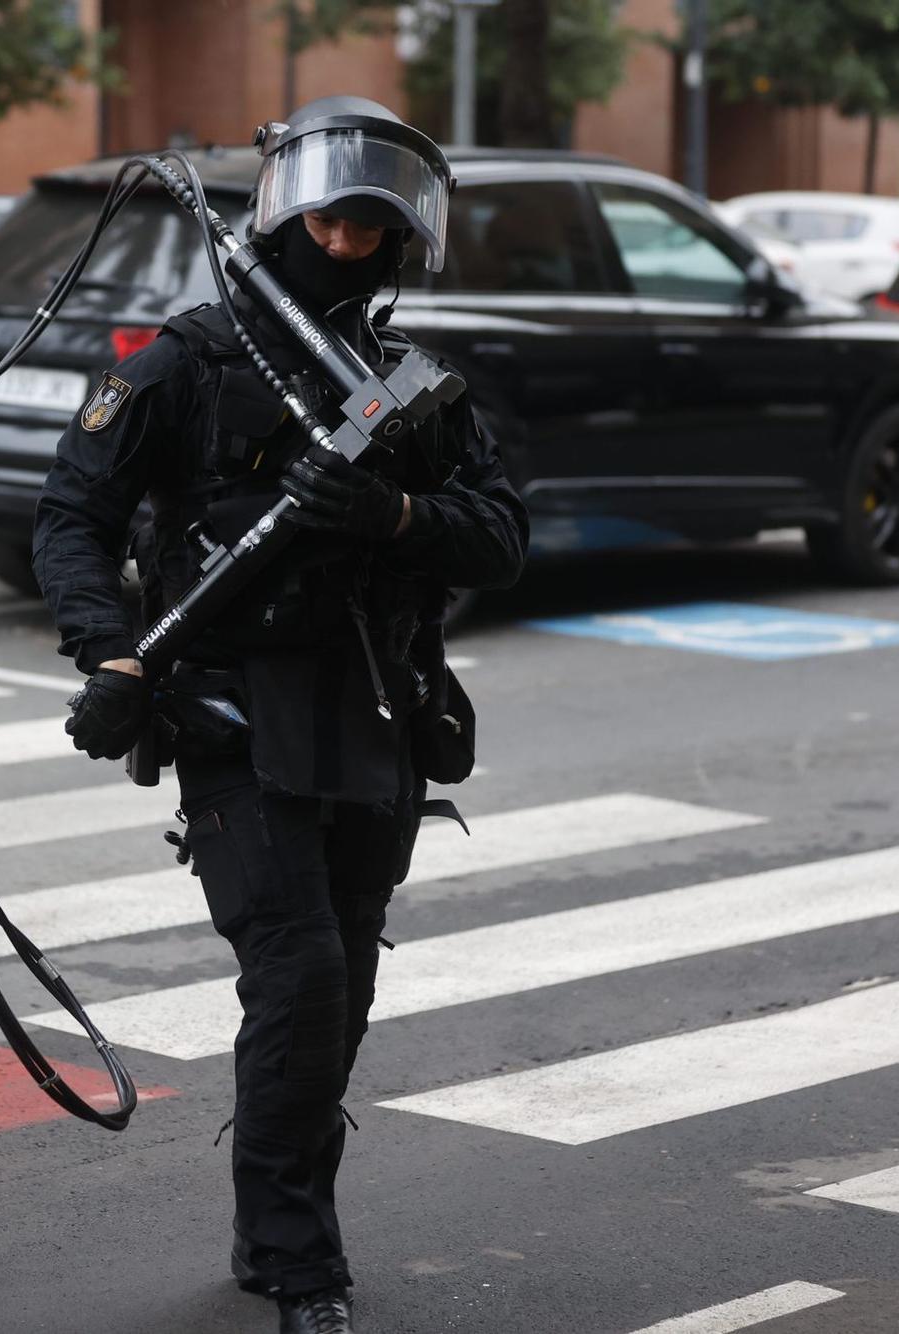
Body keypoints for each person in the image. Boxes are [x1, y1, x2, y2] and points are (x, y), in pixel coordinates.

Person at [32, 97, 529, 1334]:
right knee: (300, 974)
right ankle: (306, 1261)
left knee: (340, 985)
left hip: (374, 713)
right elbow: (69, 515)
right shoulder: (186, 366)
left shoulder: (409, 390)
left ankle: (271, 1226)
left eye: (370, 226)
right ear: (282, 212)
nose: (345, 241)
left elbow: (503, 531)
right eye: (328, 219)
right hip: (230, 713)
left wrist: (397, 518)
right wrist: (109, 652)